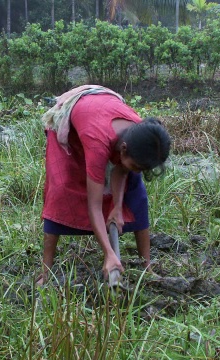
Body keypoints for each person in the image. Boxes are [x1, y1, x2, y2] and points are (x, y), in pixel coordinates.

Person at [38, 85, 172, 285]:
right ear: (123, 150)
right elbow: (94, 205)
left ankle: (147, 267)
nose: (137, 169)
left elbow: (121, 169)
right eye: (136, 165)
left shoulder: (140, 132)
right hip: (73, 123)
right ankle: (45, 272)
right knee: (61, 191)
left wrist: (117, 207)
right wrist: (109, 253)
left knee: (137, 195)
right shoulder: (97, 141)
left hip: (103, 114)